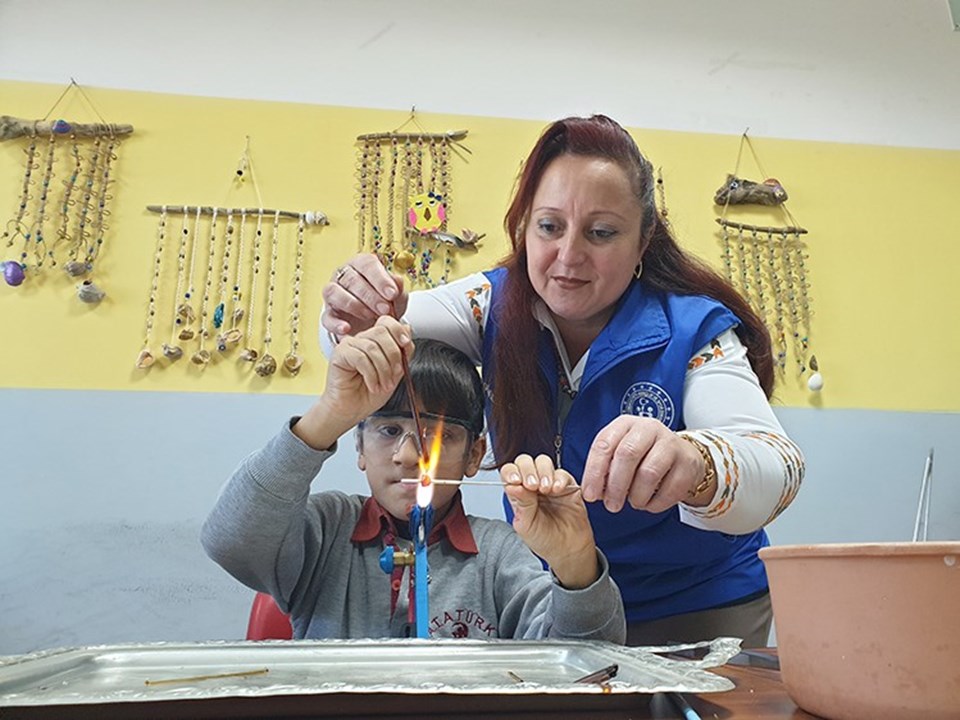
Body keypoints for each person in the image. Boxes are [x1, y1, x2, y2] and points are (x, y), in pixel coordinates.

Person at [319, 115, 805, 647]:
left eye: (601, 233)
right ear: (524, 227)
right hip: (560, 602)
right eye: (550, 227)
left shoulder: (694, 331)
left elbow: (777, 468)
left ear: (643, 240)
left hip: (698, 607)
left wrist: (695, 463)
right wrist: (353, 312)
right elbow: (358, 344)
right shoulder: (492, 306)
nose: (569, 256)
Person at [202, 318, 625, 642]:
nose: (407, 456)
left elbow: (586, 662)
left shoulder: (499, 555)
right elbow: (227, 539)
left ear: (474, 455)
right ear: (358, 447)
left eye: (436, 437)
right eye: (388, 431)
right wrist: (325, 417)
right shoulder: (327, 529)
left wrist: (575, 567)